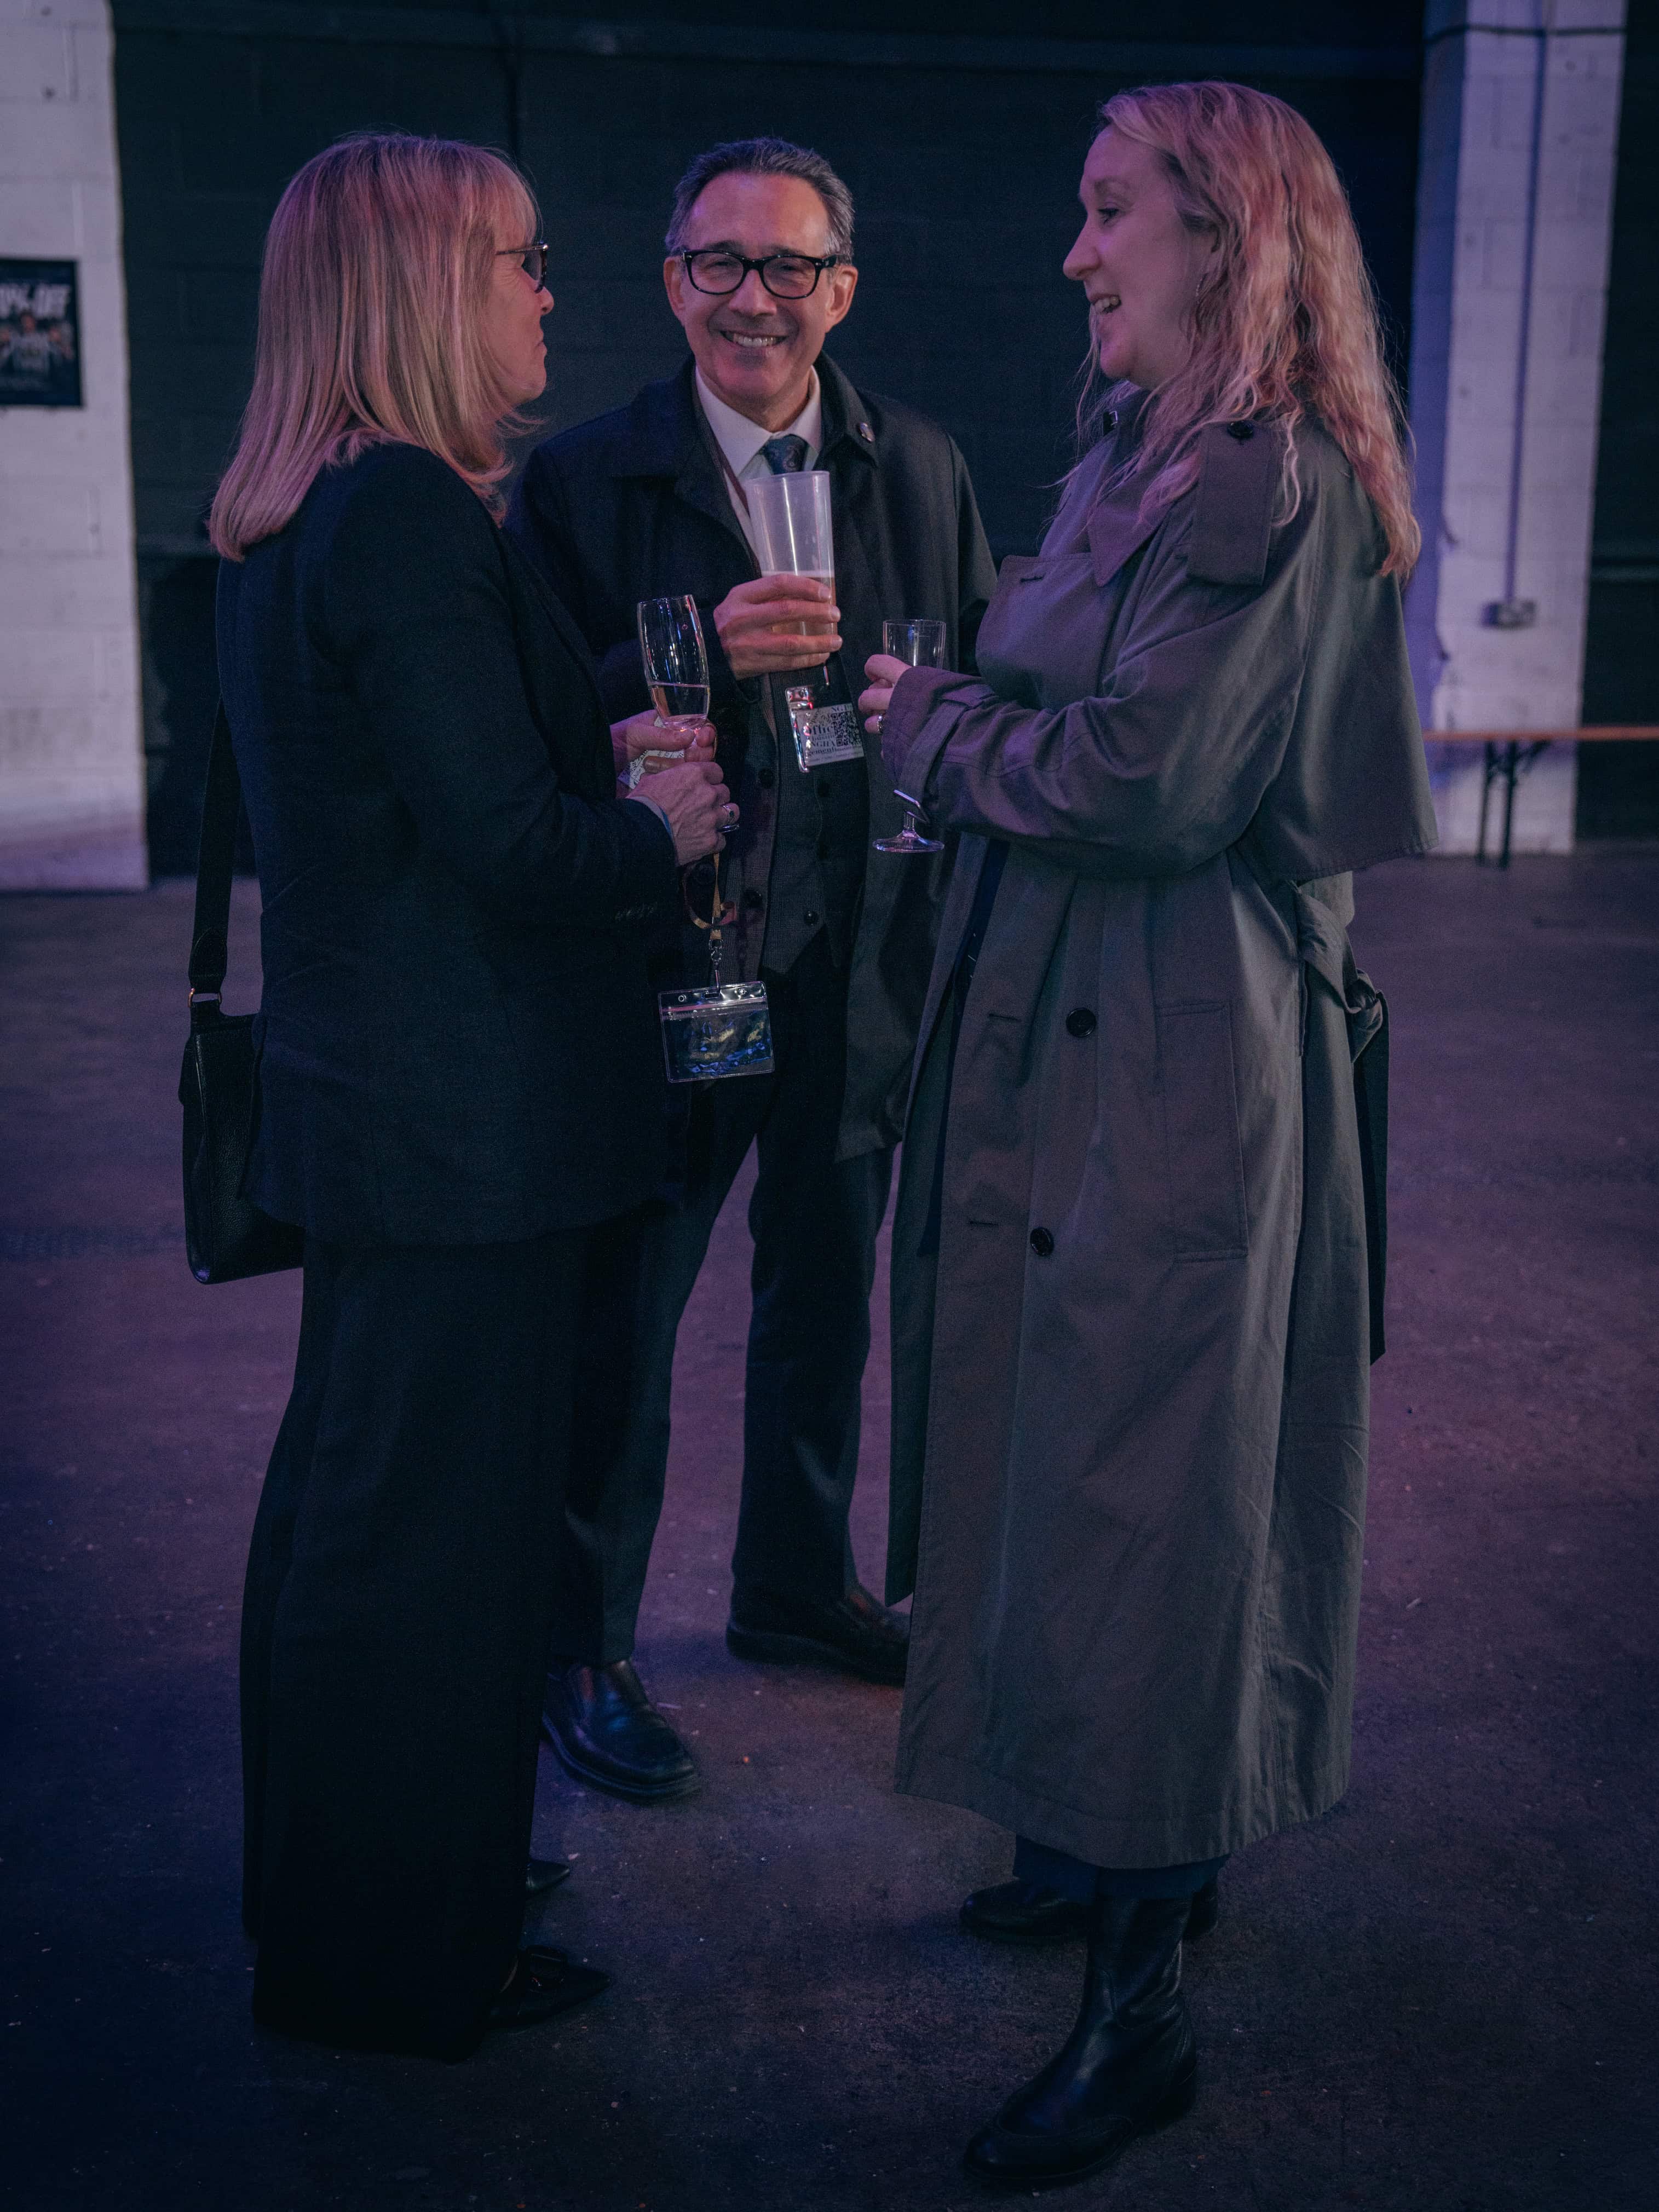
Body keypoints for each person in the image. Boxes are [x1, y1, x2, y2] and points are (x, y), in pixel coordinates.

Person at [859, 81, 1437, 2189]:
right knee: (1052, 1443)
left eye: (1112, 214)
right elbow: (1083, 721)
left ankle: (1145, 2001)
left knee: (1159, 1494)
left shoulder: (1269, 477)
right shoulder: (1139, 452)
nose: (1077, 254)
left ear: (1228, 238)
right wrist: (976, 723)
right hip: (1069, 1021)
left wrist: (927, 721)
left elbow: (1142, 782)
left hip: (1182, 1048)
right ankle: (1089, 1837)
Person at [210, 132, 730, 2059]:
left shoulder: (306, 514)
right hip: (468, 1140)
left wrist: (590, 730)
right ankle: (399, 1960)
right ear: (424, 288)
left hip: (388, 1120)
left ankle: (356, 1902)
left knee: (359, 1527)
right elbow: (514, 853)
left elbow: (408, 796)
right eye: (519, 260)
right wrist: (657, 827)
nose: (545, 292)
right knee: (432, 1561)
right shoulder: (409, 515)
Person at [507, 137, 997, 1804]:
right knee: (626, 1309)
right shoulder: (584, 481)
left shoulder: (917, 464)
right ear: (671, 283)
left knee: (822, 1289)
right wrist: (687, 664)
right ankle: (583, 1645)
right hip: (675, 960)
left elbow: (969, 672)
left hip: (855, 951)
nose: (753, 299)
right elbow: (525, 728)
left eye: (790, 266)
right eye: (718, 262)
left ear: (840, 290)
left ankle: (793, 1583)